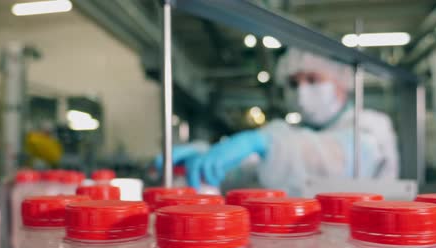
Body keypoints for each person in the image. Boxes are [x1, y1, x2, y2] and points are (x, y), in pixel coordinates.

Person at [156, 48, 399, 196]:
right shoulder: (294, 133)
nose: (302, 91)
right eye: (294, 83)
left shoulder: (370, 127)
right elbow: (255, 165)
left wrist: (262, 141)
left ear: (342, 81)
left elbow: (332, 157)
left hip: (362, 246)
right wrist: (209, 156)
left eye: (313, 79)